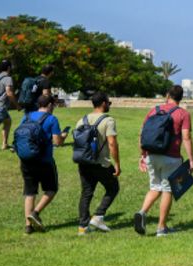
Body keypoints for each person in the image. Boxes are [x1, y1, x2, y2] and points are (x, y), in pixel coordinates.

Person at [135, 86, 193, 237]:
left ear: (167, 95)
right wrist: (191, 160)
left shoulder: (153, 110)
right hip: (171, 157)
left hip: (151, 154)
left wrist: (142, 155)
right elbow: (186, 137)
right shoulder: (183, 114)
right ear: (181, 97)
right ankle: (161, 228)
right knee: (168, 190)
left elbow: (142, 134)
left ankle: (142, 212)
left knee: (155, 187)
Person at [19, 94, 69, 233]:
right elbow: (57, 142)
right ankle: (35, 213)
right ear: (50, 105)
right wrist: (63, 136)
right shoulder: (52, 119)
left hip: (26, 159)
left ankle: (28, 227)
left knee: (30, 192)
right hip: (44, 160)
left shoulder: (26, 117)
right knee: (51, 189)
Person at [75, 92, 121, 235]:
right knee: (113, 188)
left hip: (84, 161)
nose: (109, 105)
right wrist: (117, 163)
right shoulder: (108, 120)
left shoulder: (81, 120)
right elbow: (112, 143)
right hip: (101, 163)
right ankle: (98, 216)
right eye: (108, 102)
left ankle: (83, 227)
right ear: (103, 103)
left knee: (86, 193)